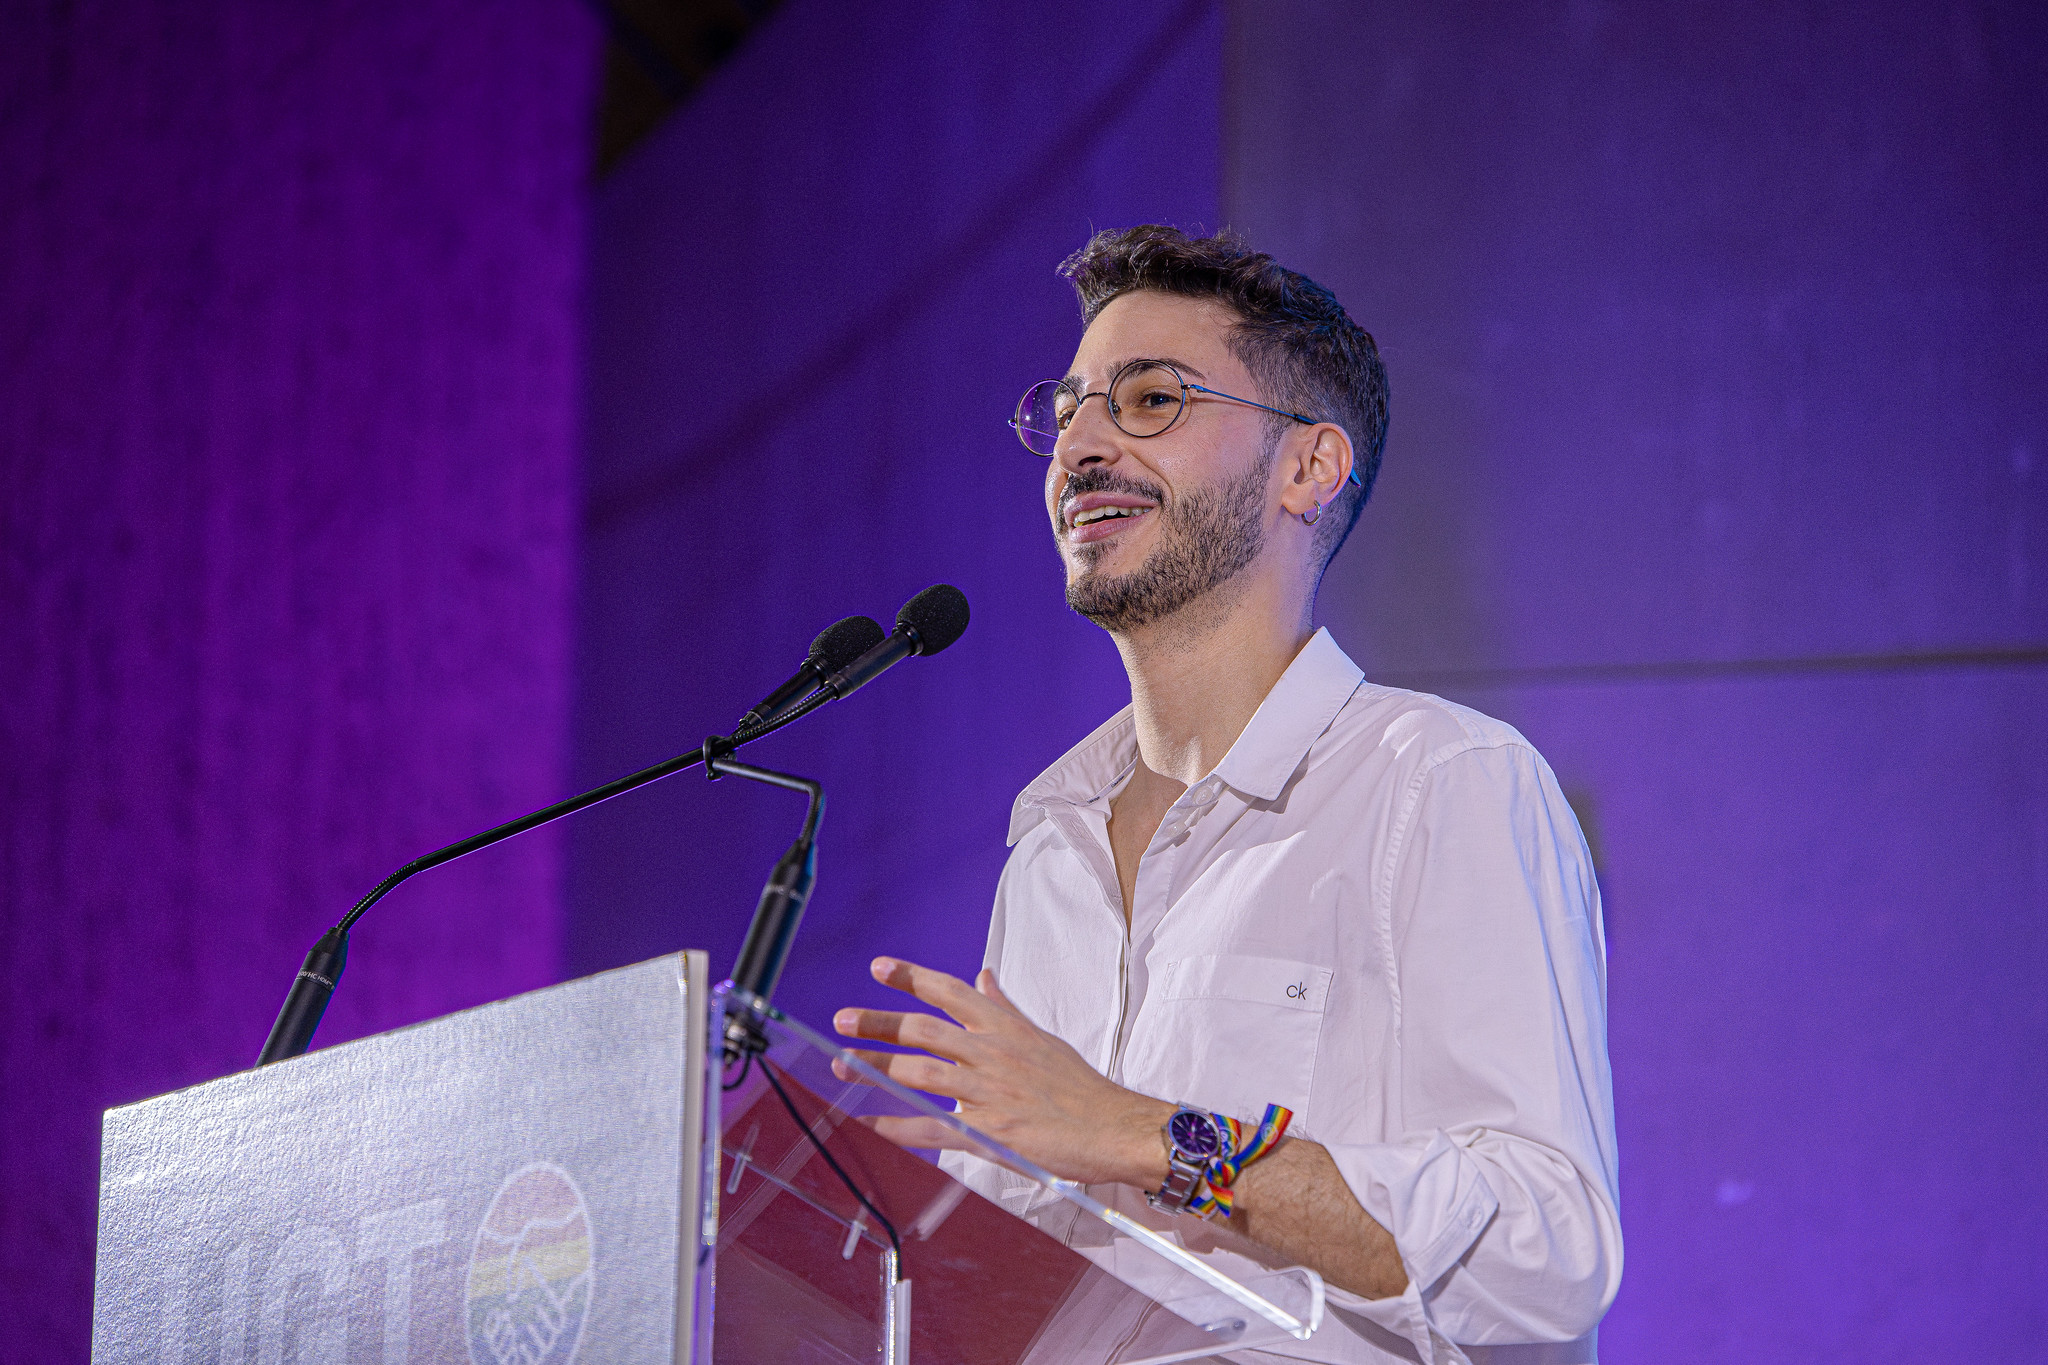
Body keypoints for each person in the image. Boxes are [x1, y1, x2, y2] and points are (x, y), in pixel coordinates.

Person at [831, 225, 1621, 1364]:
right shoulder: (1048, 846)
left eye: (1149, 400)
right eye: (1066, 413)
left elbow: (1543, 1259)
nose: (1080, 446)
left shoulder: (1437, 783)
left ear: (1308, 467)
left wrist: (1134, 1133)